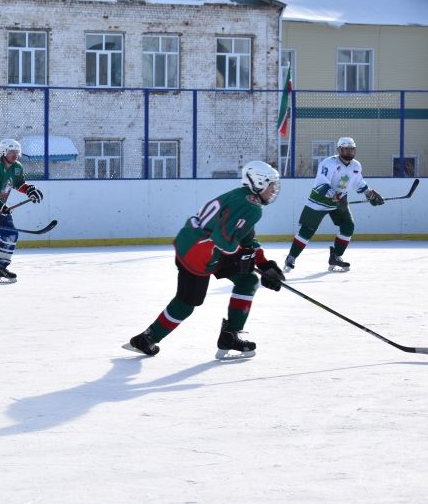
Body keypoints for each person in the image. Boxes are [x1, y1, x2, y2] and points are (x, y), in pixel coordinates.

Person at [125, 161, 286, 360]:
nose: (274, 190)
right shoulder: (250, 206)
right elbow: (223, 239)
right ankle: (146, 339)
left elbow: (244, 237)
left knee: (248, 280)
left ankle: (230, 335)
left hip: (203, 249)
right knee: (187, 303)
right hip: (197, 254)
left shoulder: (243, 197)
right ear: (259, 182)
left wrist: (263, 263)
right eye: (271, 185)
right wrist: (243, 257)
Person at [283, 136, 384, 273]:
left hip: (340, 201)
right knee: (308, 230)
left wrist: (370, 194)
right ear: (339, 150)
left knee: (348, 226)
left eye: (351, 150)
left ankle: (336, 256)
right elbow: (321, 183)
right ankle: (291, 257)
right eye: (345, 150)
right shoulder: (329, 163)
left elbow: (358, 183)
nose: (348, 153)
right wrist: (333, 195)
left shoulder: (356, 165)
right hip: (319, 200)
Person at [0, 138, 44, 283]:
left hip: (0, 208)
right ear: (3, 151)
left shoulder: (17, 167)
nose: (15, 154)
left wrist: (29, 190)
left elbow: (19, 184)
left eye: (17, 152)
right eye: (11, 151)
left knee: (11, 235)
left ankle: (1, 269)